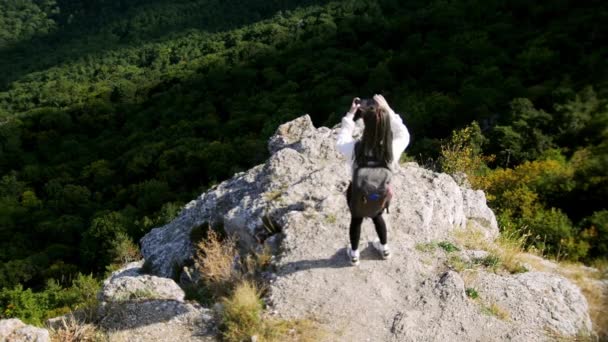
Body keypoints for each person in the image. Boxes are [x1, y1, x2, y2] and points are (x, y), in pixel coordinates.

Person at [336, 94, 410, 265]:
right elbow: (403, 133)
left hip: (357, 193)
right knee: (378, 216)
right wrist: (388, 109)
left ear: (365, 126)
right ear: (385, 125)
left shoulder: (355, 149)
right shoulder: (391, 150)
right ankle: (384, 249)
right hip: (380, 193)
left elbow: (341, 140)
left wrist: (350, 114)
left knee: (356, 220)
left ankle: (354, 254)